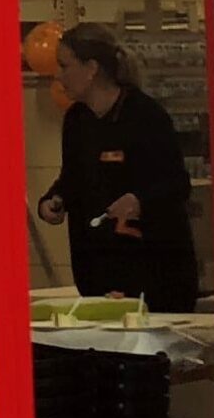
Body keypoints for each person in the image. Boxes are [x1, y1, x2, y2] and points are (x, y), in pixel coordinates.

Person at [36, 22, 200, 313]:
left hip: (154, 275)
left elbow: (176, 184)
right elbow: (73, 178)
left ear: (91, 68)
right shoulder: (77, 120)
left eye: (64, 66)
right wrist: (53, 200)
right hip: (96, 273)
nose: (59, 76)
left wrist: (139, 201)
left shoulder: (145, 116)